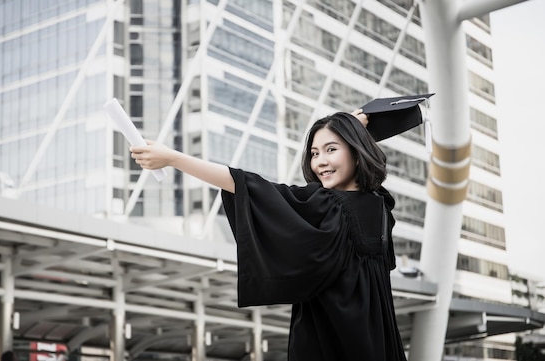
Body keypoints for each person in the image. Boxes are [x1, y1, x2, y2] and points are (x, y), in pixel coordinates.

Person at [129, 110, 407, 360]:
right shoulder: (381, 207)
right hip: (377, 341)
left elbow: (245, 185)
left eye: (331, 149)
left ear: (357, 150)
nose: (320, 161)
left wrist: (174, 158)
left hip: (330, 338)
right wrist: (352, 130)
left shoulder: (326, 206)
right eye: (314, 153)